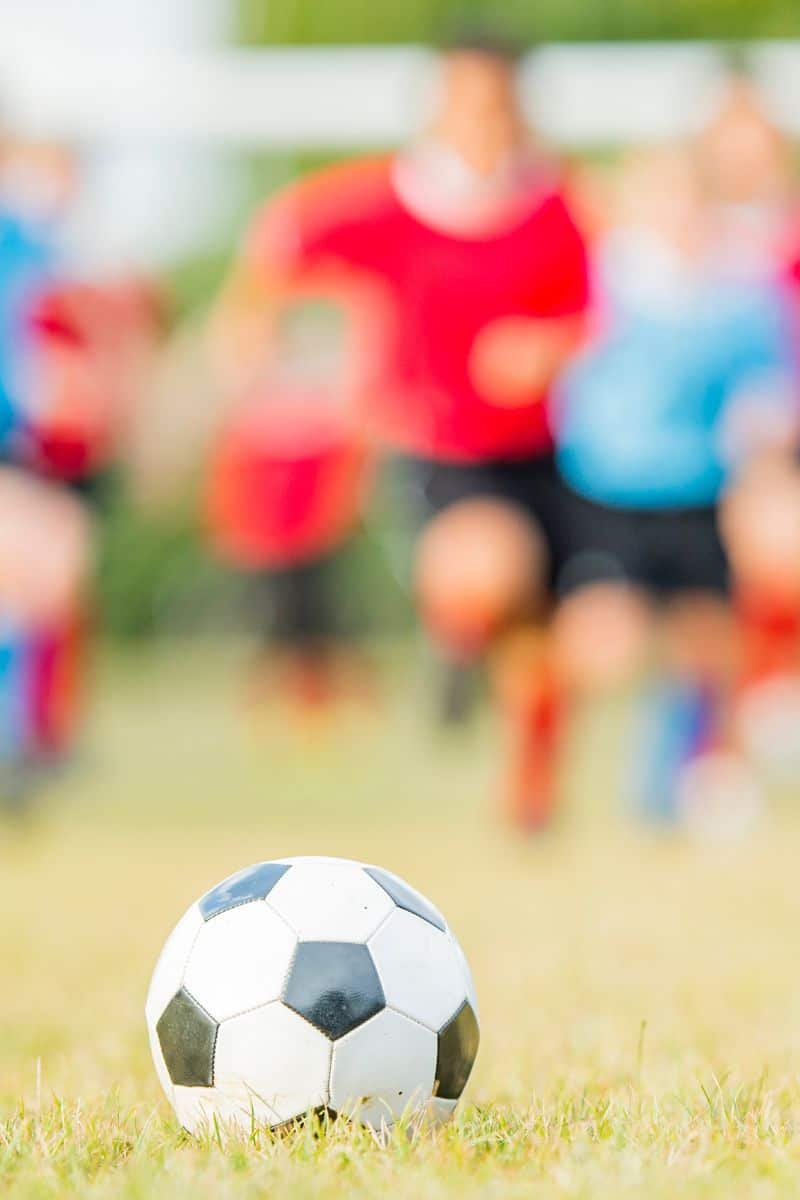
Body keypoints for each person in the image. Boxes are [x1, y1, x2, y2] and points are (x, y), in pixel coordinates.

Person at [215, 28, 589, 823]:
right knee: (483, 567)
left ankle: (530, 792)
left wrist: (548, 348)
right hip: (441, 449)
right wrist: (256, 332)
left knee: (542, 639)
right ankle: (453, 635)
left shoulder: (560, 207)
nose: (479, 120)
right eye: (463, 103)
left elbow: (602, 312)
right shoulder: (393, 200)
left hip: (554, 449)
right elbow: (279, 243)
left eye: (495, 104)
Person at [552, 142, 797, 823]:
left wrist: (765, 432)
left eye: (691, 198)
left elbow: (771, 382)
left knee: (706, 642)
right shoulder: (602, 283)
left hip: (701, 493)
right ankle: (543, 755)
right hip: (609, 491)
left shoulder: (743, 296)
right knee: (608, 641)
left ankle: (668, 782)